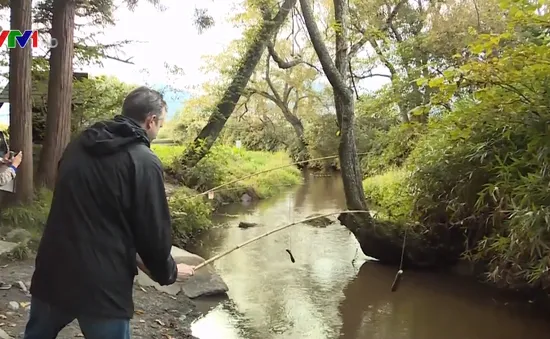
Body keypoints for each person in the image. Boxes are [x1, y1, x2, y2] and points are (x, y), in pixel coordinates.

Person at [23, 86, 195, 339]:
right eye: (160, 124)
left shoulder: (78, 145)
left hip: (53, 270)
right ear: (151, 121)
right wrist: (169, 272)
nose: (158, 131)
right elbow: (153, 234)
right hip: (103, 287)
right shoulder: (144, 161)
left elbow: (86, 208)